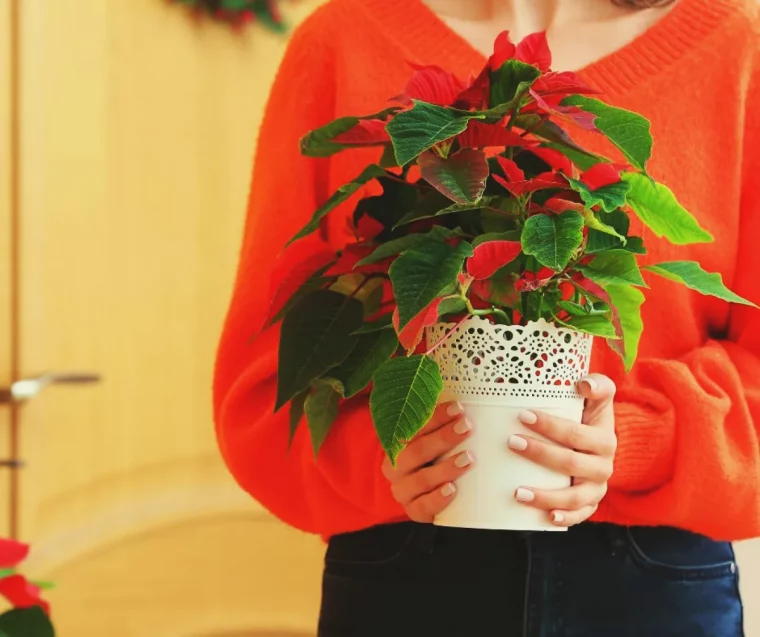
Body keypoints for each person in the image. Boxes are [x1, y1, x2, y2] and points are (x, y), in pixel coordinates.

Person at [213, 0, 760, 634]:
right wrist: (385, 451)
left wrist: (637, 441)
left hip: (650, 584)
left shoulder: (736, 50)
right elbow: (267, 381)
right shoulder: (341, 42)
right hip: (407, 569)